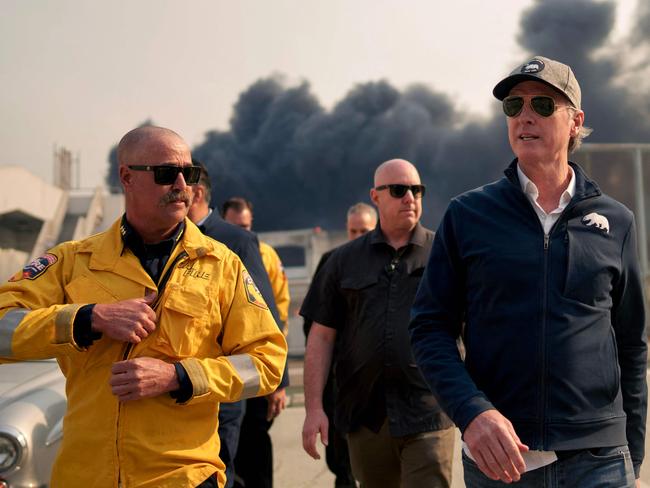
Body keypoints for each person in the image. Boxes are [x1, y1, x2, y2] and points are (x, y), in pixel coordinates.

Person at [0, 126, 288, 488]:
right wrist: (88, 318)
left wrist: (178, 377)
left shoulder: (222, 266)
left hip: (182, 477)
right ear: (126, 177)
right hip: (86, 476)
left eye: (191, 173)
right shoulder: (73, 260)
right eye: (167, 173)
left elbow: (267, 361)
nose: (183, 185)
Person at [410, 56, 647, 487]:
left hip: (599, 461)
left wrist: (631, 449)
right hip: (499, 462)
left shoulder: (617, 221)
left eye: (542, 105)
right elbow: (429, 328)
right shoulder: (468, 215)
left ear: (575, 121)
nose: (524, 117)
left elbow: (631, 344)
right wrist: (472, 412)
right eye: (513, 107)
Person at [301, 159, 455, 488]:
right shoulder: (342, 261)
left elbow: (474, 327)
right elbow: (321, 337)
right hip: (365, 416)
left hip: (429, 411)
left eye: (417, 190)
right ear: (376, 196)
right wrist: (314, 408)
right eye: (399, 190)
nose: (410, 198)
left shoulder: (444, 254)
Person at [188, 162, 289, 488]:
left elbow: (264, 312)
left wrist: (278, 380)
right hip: (181, 384)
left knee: (222, 470)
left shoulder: (237, 240)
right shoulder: (169, 238)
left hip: (224, 383)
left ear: (197, 193)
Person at [302, 202, 377, 488]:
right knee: (340, 462)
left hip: (376, 379)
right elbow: (314, 322)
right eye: (353, 230)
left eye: (365, 230)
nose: (358, 236)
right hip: (339, 379)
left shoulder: (387, 263)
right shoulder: (333, 261)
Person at [222, 196, 289, 488]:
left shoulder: (266, 255)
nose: (244, 232)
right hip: (222, 370)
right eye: (237, 227)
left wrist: (279, 379)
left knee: (257, 442)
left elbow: (279, 314)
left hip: (257, 366)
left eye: (247, 226)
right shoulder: (214, 256)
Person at [223, 197, 290, 333]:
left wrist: (279, 327)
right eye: (234, 227)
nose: (241, 232)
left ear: (251, 221)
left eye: (244, 226)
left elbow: (281, 295)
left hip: (264, 333)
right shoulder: (216, 256)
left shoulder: (267, 254)